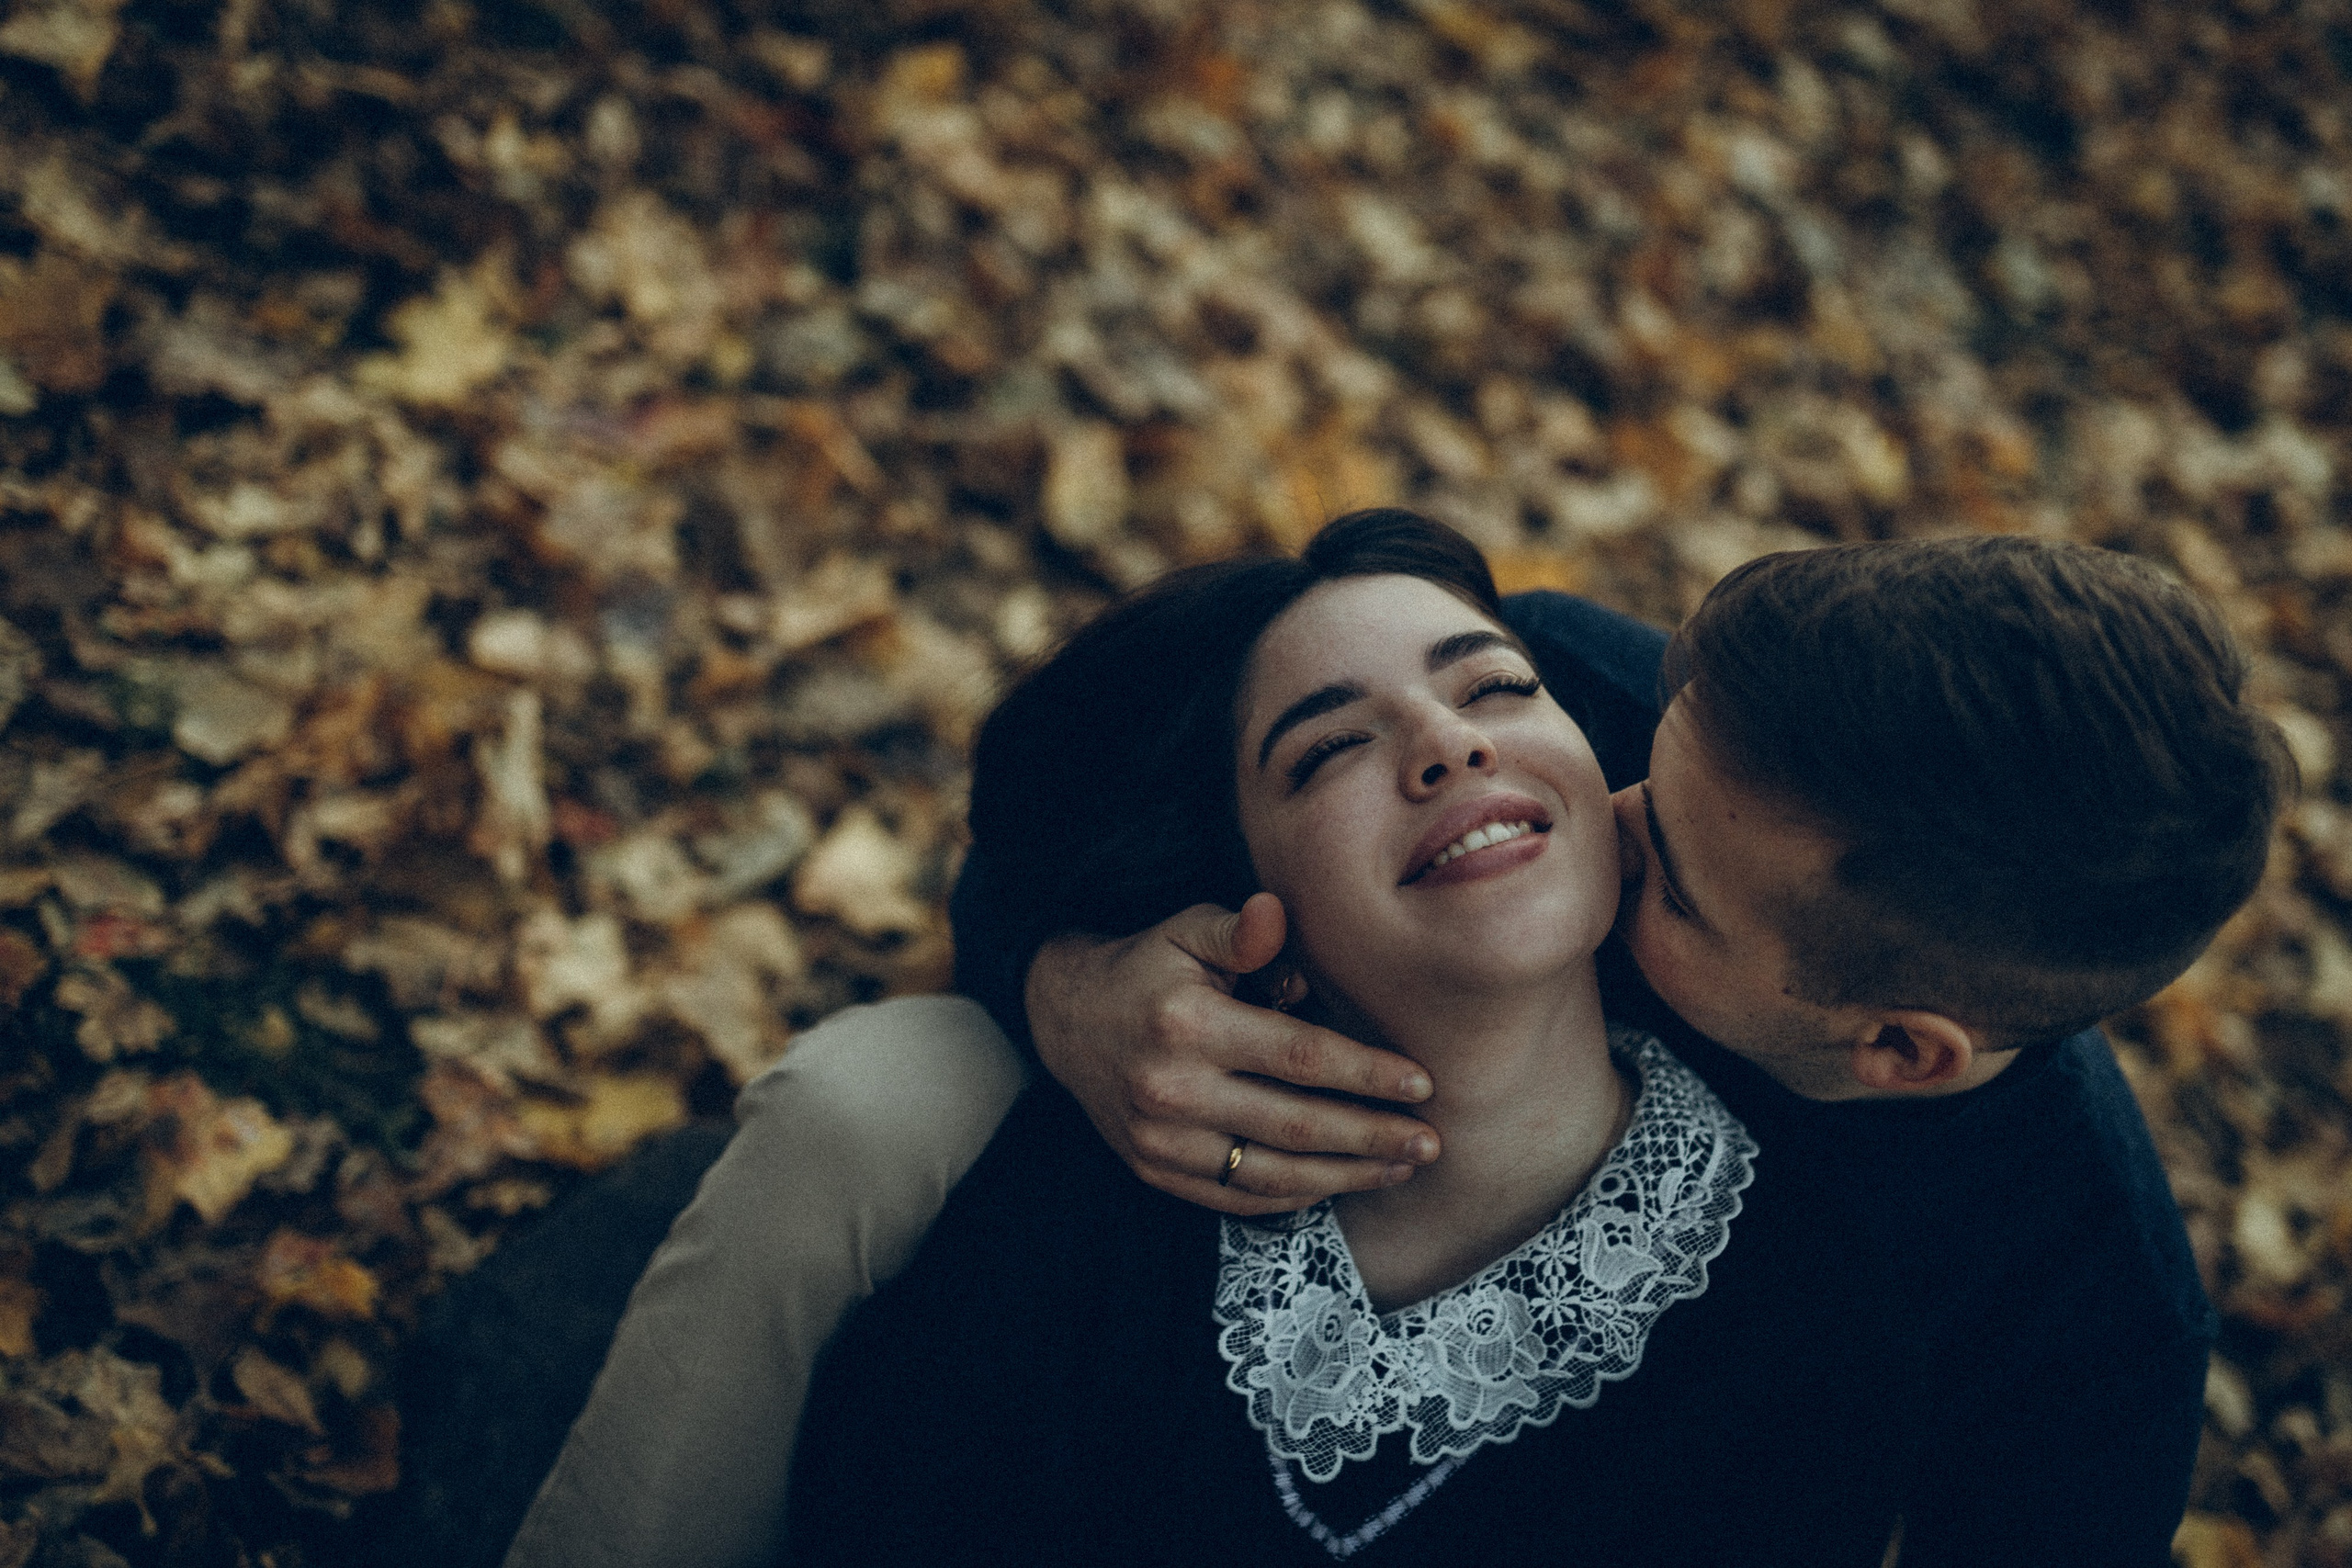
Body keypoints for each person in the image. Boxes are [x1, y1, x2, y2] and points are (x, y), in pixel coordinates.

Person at [503, 518, 2290, 1567]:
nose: (1580, 801)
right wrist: (1063, 975)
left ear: (1900, 1051)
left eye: (1654, 858)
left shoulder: (2070, 1324)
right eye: (1636, 751)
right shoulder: (1585, 714)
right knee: (880, 1090)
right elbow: (1131, 757)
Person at [789, 512, 1803, 1561]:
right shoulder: (1080, 1205)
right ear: (1242, 898)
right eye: (1328, 748)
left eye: (1496, 688)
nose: (1452, 741)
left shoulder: (1806, 1323)